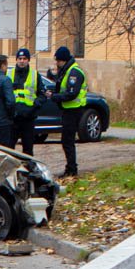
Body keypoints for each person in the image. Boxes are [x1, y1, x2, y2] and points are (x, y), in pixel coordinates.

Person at [45, 46, 87, 178]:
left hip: (74, 110)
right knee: (66, 141)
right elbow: (62, 84)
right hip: (68, 109)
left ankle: (72, 169)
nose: (57, 63)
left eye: (58, 61)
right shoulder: (67, 70)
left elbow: (71, 93)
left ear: (63, 60)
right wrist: (52, 77)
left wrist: (54, 97)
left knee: (68, 141)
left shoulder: (74, 72)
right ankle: (70, 168)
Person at [8, 48, 39, 155]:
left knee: (28, 149)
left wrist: (35, 106)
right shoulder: (9, 74)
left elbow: (42, 95)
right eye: (20, 58)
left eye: (24, 58)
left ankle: (28, 170)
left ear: (28, 60)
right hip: (13, 117)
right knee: (10, 148)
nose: (22, 61)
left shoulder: (35, 75)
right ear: (16, 60)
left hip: (28, 117)